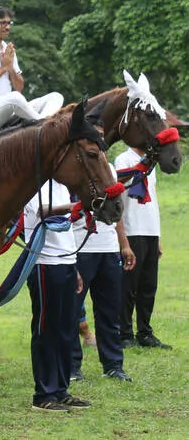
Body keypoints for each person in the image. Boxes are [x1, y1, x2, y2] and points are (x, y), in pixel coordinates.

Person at [24, 179, 92, 412]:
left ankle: (61, 390)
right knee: (46, 329)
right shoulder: (35, 182)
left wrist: (75, 266)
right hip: (44, 262)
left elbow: (68, 230)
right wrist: (74, 206)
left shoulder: (64, 186)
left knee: (66, 329)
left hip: (66, 262)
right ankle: (43, 395)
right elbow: (43, 212)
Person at [70, 154, 134, 382]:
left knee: (109, 311)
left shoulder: (108, 169)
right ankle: (71, 367)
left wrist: (124, 244)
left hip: (108, 249)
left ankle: (113, 365)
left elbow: (117, 212)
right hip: (79, 248)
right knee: (71, 311)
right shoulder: (69, 169)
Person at [0, 5, 63, 133]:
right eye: (2, 23)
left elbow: (19, 86)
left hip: (9, 110)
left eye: (8, 23)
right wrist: (3, 68)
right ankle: (44, 124)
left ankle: (41, 120)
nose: (7, 27)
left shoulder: (9, 51)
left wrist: (10, 68)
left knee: (55, 97)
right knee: (15, 98)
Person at [114, 146, 171, 349]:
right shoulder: (124, 160)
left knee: (148, 286)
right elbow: (118, 201)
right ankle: (125, 333)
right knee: (129, 286)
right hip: (131, 230)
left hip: (150, 231)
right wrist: (123, 242)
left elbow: (152, 202)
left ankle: (145, 332)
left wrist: (158, 236)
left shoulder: (151, 164)